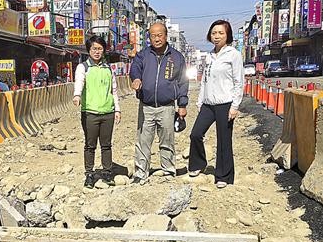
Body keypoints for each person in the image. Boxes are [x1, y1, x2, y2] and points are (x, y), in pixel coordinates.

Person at [129, 22, 189, 184]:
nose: (156, 38)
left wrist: (182, 104)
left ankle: (168, 171)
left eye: (159, 35)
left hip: (167, 107)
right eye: (153, 35)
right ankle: (141, 172)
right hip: (146, 106)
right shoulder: (143, 55)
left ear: (166, 36)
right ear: (149, 37)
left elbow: (183, 82)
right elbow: (135, 68)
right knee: (143, 141)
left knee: (167, 140)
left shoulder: (176, 57)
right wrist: (136, 78)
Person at [188, 19, 244, 188]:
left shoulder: (233, 54)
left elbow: (239, 82)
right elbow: (205, 80)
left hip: (225, 104)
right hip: (208, 104)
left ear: (228, 36)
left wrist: (235, 106)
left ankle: (224, 176)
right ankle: (198, 164)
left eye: (221, 33)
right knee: (195, 134)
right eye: (214, 33)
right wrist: (200, 101)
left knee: (224, 140)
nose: (217, 36)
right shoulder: (210, 56)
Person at [73, 35, 121, 188]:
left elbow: (114, 90)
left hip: (108, 112)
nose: (97, 51)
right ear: (89, 50)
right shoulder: (83, 67)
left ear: (104, 50)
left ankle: (107, 173)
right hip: (90, 113)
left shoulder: (108, 69)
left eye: (100, 49)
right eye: (94, 48)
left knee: (106, 145)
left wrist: (117, 110)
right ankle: (89, 174)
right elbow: (79, 82)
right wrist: (77, 95)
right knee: (90, 145)